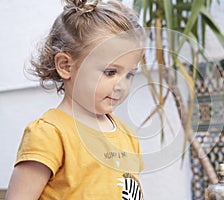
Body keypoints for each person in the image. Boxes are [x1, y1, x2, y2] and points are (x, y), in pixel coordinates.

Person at [5, 0, 145, 199]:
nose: (121, 85)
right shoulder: (50, 133)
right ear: (66, 66)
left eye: (129, 75)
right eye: (110, 72)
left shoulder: (127, 136)